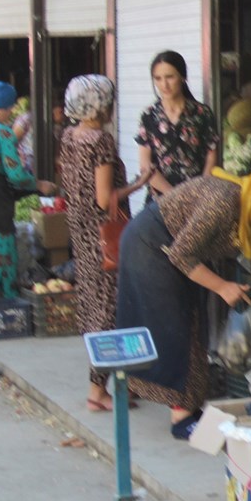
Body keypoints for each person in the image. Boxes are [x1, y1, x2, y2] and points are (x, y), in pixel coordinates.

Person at [116, 161, 251, 440]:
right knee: (175, 327)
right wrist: (222, 287)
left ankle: (190, 406)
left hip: (181, 254)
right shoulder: (225, 202)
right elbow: (180, 254)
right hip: (151, 246)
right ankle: (180, 417)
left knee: (196, 327)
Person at [60, 75, 152, 412]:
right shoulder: (100, 141)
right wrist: (138, 183)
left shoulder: (69, 136)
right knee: (107, 307)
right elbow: (104, 199)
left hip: (81, 233)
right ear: (100, 104)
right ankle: (97, 391)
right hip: (104, 236)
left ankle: (121, 384)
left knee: (93, 304)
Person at [0, 81, 55, 299]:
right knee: (1, 250)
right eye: (8, 107)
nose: (11, 112)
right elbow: (16, 175)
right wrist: (40, 185)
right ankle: (4, 307)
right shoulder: (3, 133)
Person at [136, 51, 219, 203]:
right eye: (158, 79)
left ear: (183, 77)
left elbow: (211, 156)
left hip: (197, 198)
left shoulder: (201, 113)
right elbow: (145, 164)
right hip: (161, 201)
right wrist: (174, 195)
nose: (164, 85)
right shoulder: (149, 116)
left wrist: (199, 191)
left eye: (170, 77)